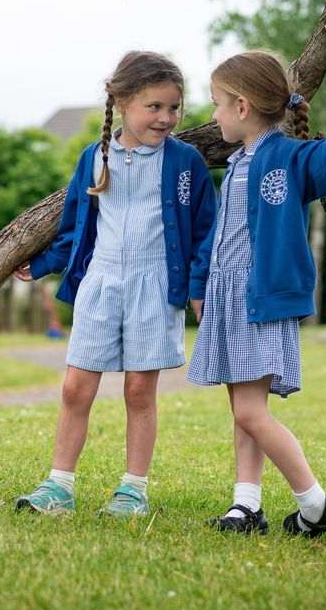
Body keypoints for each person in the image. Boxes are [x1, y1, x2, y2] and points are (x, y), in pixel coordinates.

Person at [187, 50, 326, 537]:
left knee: (251, 412)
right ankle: (246, 505)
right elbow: (221, 237)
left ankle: (315, 502)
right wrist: (201, 287)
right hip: (229, 297)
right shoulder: (237, 163)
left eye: (216, 103)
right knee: (242, 407)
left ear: (241, 107)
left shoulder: (286, 156)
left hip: (260, 297)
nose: (212, 115)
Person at [11, 51, 217, 518]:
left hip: (155, 286)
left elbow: (207, 230)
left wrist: (198, 286)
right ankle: (59, 486)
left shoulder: (185, 163)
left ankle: (133, 490)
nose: (166, 118)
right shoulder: (94, 157)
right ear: (121, 101)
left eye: (173, 107)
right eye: (154, 107)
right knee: (74, 388)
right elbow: (74, 226)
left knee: (139, 392)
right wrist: (42, 263)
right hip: (100, 284)